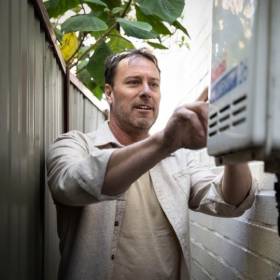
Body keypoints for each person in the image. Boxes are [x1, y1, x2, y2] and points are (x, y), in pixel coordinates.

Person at [47, 48, 258, 280]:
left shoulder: (179, 158)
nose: (146, 92)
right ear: (109, 93)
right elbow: (70, 184)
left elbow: (232, 201)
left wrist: (231, 139)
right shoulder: (73, 145)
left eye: (154, 84)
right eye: (134, 82)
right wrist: (166, 142)